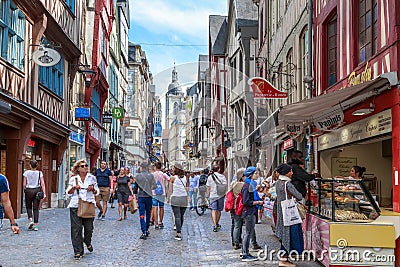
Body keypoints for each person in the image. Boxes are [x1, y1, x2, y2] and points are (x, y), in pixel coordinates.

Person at [66, 159, 99, 260]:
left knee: (89, 229)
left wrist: (92, 189)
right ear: (78, 169)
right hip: (76, 205)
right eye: (82, 166)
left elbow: (97, 192)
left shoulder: (92, 178)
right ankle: (78, 251)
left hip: (88, 205)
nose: (85, 167)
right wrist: (74, 188)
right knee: (76, 229)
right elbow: (68, 192)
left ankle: (87, 241)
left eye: (86, 165)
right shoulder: (73, 179)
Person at [275, 163, 304, 267]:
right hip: (289, 213)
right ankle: (283, 260)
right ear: (286, 173)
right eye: (290, 171)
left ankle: (284, 258)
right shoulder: (288, 184)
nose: (292, 173)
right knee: (289, 235)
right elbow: (299, 196)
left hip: (281, 212)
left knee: (285, 235)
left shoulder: (278, 183)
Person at [240, 166, 263, 262]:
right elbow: (246, 201)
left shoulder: (251, 185)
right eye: (256, 173)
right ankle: (245, 254)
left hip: (251, 212)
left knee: (248, 232)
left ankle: (245, 252)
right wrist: (257, 202)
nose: (257, 175)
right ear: (251, 175)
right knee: (248, 233)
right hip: (249, 212)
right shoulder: (247, 186)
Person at [133, 161, 157, 240]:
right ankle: (146, 229)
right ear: (147, 167)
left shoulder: (138, 176)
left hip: (141, 196)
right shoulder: (151, 176)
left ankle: (143, 231)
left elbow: (135, 189)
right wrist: (150, 188)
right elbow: (155, 186)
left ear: (141, 167)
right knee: (148, 213)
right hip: (149, 196)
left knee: (142, 214)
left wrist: (135, 197)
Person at [23, 160, 46, 231]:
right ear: (36, 166)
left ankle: (30, 220)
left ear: (30, 165)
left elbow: (24, 184)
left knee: (28, 206)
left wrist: (25, 189)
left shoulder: (26, 172)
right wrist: (44, 193)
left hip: (29, 190)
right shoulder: (39, 173)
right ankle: (36, 225)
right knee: (36, 208)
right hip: (37, 190)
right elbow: (42, 183)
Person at [167, 164, 189, 241]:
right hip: (184, 198)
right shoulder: (186, 178)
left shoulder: (172, 178)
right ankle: (180, 230)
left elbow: (170, 190)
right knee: (181, 216)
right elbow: (187, 189)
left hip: (175, 197)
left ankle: (178, 233)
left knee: (177, 216)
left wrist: (168, 198)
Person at [206, 164, 227, 232]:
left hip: (213, 195)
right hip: (220, 195)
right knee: (219, 210)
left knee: (213, 210)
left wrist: (207, 195)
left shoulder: (209, 177)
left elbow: (208, 187)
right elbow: (225, 186)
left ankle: (214, 225)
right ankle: (217, 223)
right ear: (218, 169)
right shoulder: (222, 176)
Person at [151, 162, 170, 229]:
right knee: (161, 208)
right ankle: (160, 222)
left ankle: (156, 223)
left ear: (155, 167)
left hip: (154, 193)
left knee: (155, 208)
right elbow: (169, 180)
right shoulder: (163, 174)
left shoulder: (153, 174)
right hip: (162, 193)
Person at [230, 168, 245, 250]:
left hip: (232, 206)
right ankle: (236, 242)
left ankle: (234, 240)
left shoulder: (233, 183)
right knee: (238, 225)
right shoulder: (241, 185)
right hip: (238, 206)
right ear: (242, 177)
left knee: (234, 224)